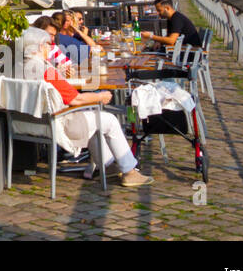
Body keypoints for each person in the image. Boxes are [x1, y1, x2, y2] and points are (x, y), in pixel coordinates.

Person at [20, 27, 151, 187]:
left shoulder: (18, 67)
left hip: (30, 123)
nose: (51, 47)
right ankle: (129, 171)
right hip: (60, 124)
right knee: (109, 120)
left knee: (95, 119)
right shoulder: (46, 71)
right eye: (49, 44)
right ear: (41, 46)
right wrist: (100, 97)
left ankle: (108, 165)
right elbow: (76, 99)